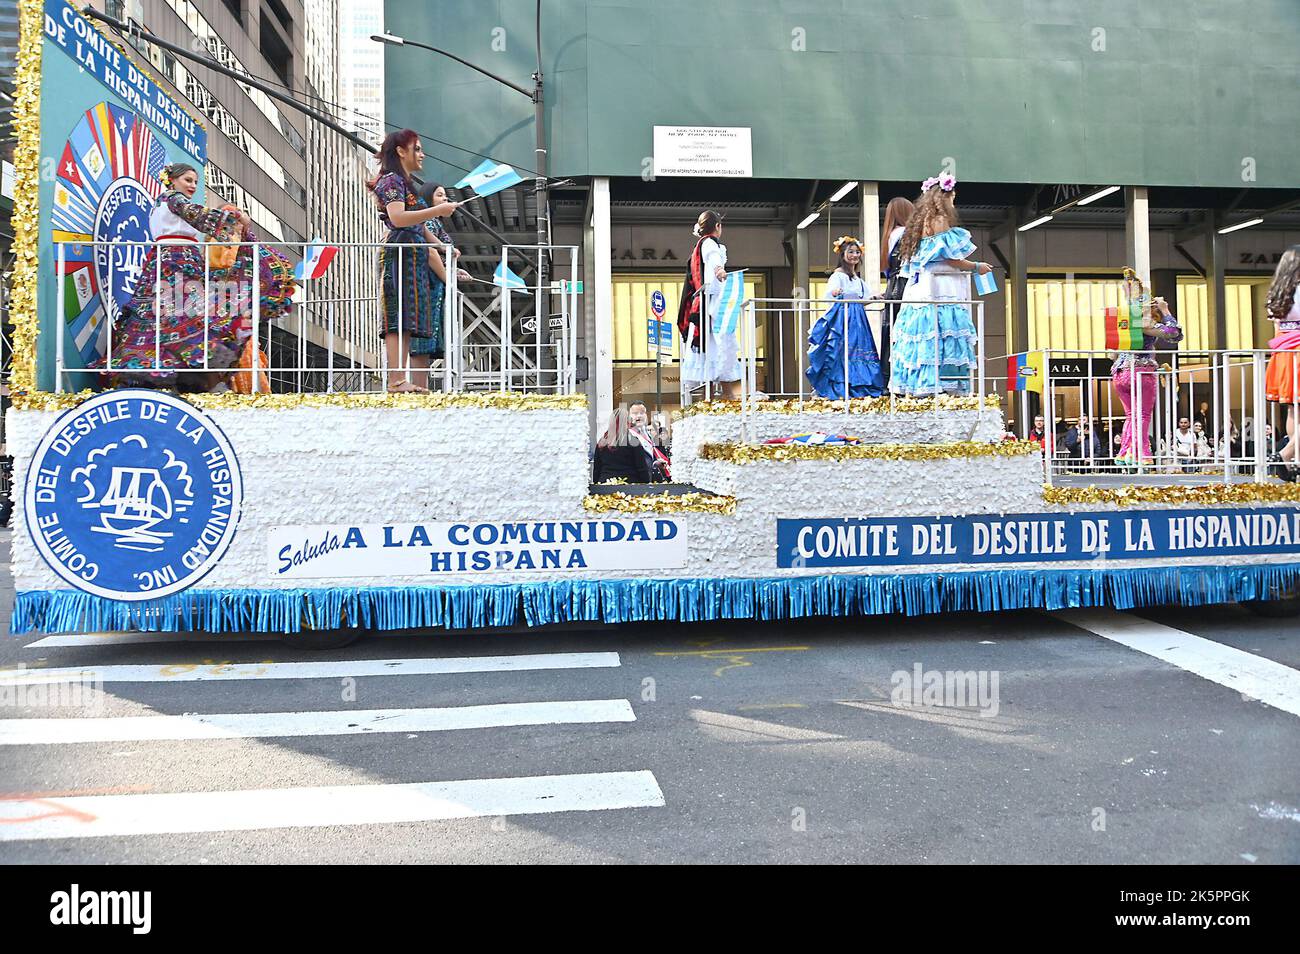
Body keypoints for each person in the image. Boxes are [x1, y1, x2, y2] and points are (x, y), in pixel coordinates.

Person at [99, 162, 296, 390]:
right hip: (172, 264)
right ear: (172, 180)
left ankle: (192, 375)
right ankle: (169, 375)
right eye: (188, 180)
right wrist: (231, 217)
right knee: (178, 318)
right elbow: (196, 215)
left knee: (189, 320)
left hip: (185, 265)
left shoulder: (172, 203)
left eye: (195, 181)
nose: (192, 185)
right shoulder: (172, 199)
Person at [371, 129, 461, 393]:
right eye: (417, 149)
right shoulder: (391, 181)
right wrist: (437, 210)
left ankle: (401, 379)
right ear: (401, 151)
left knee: (408, 318)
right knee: (398, 315)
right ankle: (396, 380)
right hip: (401, 252)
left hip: (413, 253)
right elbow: (398, 218)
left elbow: (420, 225)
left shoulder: (405, 183)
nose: (422, 154)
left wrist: (442, 246)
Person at [889, 173, 992, 396]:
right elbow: (949, 257)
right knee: (945, 331)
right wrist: (976, 266)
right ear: (945, 197)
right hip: (941, 286)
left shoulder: (920, 223)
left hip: (919, 288)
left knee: (925, 334)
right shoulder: (939, 220)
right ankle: (945, 387)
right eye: (953, 196)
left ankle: (921, 386)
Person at [1110, 270, 1182, 470]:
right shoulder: (1142, 323)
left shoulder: (1120, 323)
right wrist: (1166, 310)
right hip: (1140, 371)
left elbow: (1111, 353)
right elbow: (1174, 334)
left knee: (1131, 415)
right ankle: (1142, 453)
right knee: (1142, 415)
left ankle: (1126, 452)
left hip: (1119, 374)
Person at [806, 236, 885, 398]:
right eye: (851, 252)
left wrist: (875, 298)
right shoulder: (838, 276)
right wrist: (836, 293)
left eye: (857, 252)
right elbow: (831, 294)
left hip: (859, 323)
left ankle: (858, 388)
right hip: (843, 320)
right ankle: (837, 388)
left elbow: (861, 301)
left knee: (857, 352)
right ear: (842, 254)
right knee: (840, 352)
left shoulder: (858, 280)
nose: (854, 255)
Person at [413, 180, 472, 389]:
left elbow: (440, 254)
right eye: (439, 195)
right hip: (427, 285)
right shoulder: (428, 221)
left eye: (445, 196)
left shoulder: (433, 223)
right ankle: (419, 389)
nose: (445, 199)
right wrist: (450, 279)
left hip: (434, 285)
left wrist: (454, 271)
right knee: (422, 341)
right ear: (428, 198)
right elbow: (429, 252)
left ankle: (421, 388)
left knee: (425, 343)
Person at [678, 210, 741, 399]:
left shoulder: (702, 245)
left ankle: (720, 394)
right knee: (719, 344)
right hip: (712, 302)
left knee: (715, 347)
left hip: (708, 301)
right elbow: (714, 260)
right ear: (718, 226)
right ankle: (725, 395)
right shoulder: (709, 244)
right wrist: (720, 270)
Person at [1264, 246, 1300, 481]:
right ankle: (1287, 453)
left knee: (1293, 409)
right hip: (1298, 350)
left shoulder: (1276, 294)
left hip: (1283, 353)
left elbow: (1277, 330)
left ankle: (1294, 459)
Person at [877, 196, 915, 386]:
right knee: (906, 334)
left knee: (890, 334)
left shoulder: (889, 235)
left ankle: (887, 379)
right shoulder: (906, 234)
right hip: (905, 287)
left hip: (892, 288)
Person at [593, 407, 652, 484]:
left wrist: (596, 485)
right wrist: (646, 484)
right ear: (627, 422)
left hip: (606, 483)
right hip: (629, 485)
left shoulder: (602, 442)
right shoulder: (634, 442)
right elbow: (641, 468)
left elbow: (597, 469)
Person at [628, 402, 671, 481]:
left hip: (649, 479)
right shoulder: (628, 435)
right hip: (635, 480)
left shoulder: (647, 434)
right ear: (629, 416)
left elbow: (648, 458)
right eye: (635, 413)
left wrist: (655, 463)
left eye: (642, 413)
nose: (639, 416)